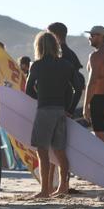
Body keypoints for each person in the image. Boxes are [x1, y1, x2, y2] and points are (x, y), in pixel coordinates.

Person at [25, 31, 78, 197]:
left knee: (42, 151)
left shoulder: (37, 65)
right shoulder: (66, 65)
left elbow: (28, 89)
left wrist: (40, 97)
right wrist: (69, 109)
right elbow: (78, 88)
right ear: (56, 46)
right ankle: (63, 186)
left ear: (38, 47)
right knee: (60, 151)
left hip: (44, 110)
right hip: (61, 111)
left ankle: (45, 190)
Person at [47, 22, 86, 117]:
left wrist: (69, 110)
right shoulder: (71, 54)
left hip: (61, 109)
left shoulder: (61, 56)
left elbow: (78, 87)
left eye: (48, 34)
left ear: (54, 35)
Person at [83, 26, 104, 144]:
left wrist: (86, 106)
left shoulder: (95, 56)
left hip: (99, 101)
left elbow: (92, 82)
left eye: (92, 35)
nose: (89, 38)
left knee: (101, 140)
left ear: (101, 37)